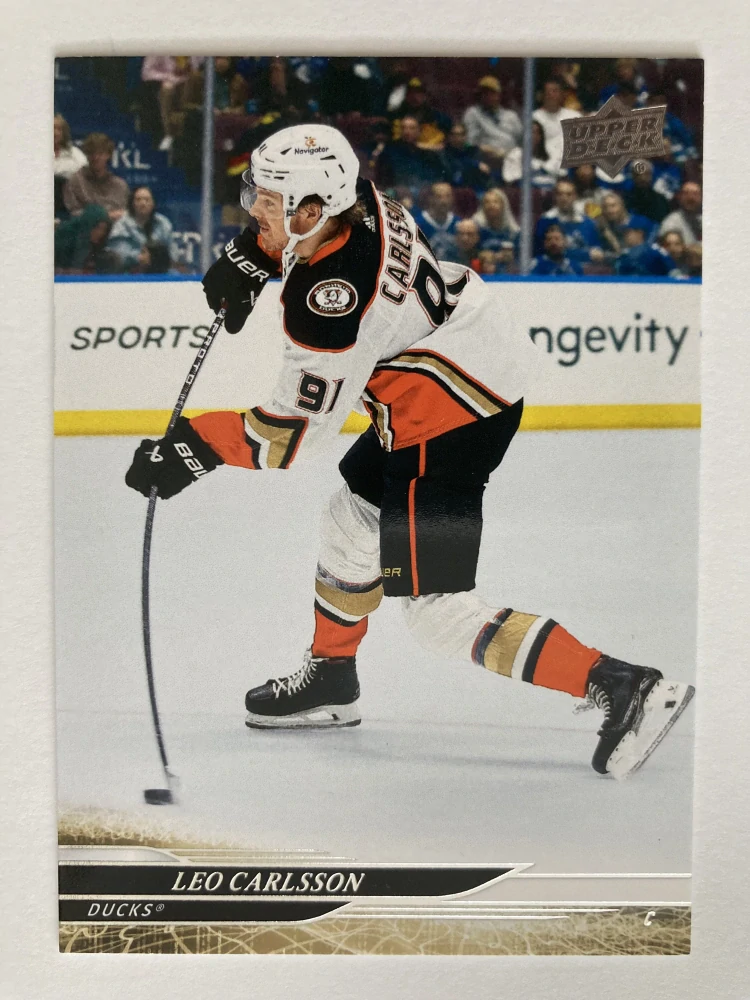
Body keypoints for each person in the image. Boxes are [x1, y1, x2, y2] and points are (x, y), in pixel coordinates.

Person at [125, 123, 693, 779]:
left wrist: (192, 448)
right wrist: (253, 254)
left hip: (450, 417)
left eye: (267, 203)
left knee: (437, 613)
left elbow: (289, 437)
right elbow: (302, 228)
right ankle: (332, 677)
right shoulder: (358, 197)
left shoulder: (330, 302)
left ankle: (623, 685)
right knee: (350, 523)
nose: (253, 209)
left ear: (312, 209)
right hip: (456, 361)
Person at [107, 186, 176, 274]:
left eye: (147, 200)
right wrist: (139, 258)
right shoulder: (121, 225)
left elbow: (171, 250)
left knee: (175, 274)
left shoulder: (163, 223)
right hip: (130, 272)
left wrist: (162, 259)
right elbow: (119, 255)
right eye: (138, 200)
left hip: (160, 270)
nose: (143, 203)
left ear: (153, 203)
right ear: (132, 204)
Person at [62, 133, 130, 222]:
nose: (96, 158)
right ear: (86, 155)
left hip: (116, 228)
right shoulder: (75, 181)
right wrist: (105, 215)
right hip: (86, 227)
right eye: (91, 153)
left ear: (108, 155)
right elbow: (74, 214)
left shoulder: (120, 185)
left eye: (100, 153)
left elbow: (125, 214)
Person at [375, 114, 447, 196]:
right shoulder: (389, 151)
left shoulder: (427, 153)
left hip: (424, 194)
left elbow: (436, 177)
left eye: (412, 128)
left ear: (419, 131)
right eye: (404, 128)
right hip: (398, 194)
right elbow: (383, 179)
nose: (407, 132)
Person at [535, 179, 603, 265]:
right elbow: (548, 253)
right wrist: (586, 255)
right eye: (560, 194)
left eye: (569, 194)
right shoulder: (545, 221)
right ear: (555, 197)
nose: (564, 198)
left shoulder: (587, 222)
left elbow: (597, 251)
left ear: (575, 196)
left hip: (586, 270)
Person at [462, 76, 523, 166]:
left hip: (513, 162)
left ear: (499, 95)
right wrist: (488, 150)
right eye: (484, 93)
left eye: (492, 93)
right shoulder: (473, 114)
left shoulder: (511, 115)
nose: (488, 96)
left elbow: (522, 141)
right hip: (488, 162)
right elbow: (470, 143)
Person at [502, 120, 565, 191]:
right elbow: (510, 180)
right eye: (530, 132)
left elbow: (562, 175)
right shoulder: (514, 155)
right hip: (525, 193)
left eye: (536, 133)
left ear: (541, 136)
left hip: (550, 192)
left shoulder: (552, 154)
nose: (533, 136)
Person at [54, 203, 118, 273]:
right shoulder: (65, 238)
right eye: (97, 228)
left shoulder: (100, 242)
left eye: (104, 229)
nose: (100, 233)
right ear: (88, 225)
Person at [532, 78, 581, 167]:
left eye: (555, 91)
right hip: (541, 164)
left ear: (562, 94)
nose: (551, 95)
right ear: (542, 95)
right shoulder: (533, 117)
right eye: (548, 91)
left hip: (569, 165)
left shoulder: (574, 116)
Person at [390, 78, 451, 148]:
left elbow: (445, 144)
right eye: (411, 93)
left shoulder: (437, 118)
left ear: (425, 96)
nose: (414, 96)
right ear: (406, 96)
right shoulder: (396, 116)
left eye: (418, 93)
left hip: (428, 153)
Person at [411, 182, 458, 260]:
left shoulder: (458, 223)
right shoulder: (418, 224)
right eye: (439, 196)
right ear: (431, 198)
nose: (444, 201)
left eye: (447, 196)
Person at [439, 123, 491, 191]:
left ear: (465, 136)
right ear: (449, 136)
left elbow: (485, 172)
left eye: (461, 134)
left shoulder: (473, 150)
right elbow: (454, 168)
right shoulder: (443, 153)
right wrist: (476, 164)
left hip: (475, 187)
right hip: (453, 188)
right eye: (454, 134)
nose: (457, 138)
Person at [472, 188, 519, 253]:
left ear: (503, 205)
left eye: (495, 202)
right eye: (487, 202)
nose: (491, 205)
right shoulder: (474, 228)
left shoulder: (513, 232)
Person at [659, 182, 702, 246]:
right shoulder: (671, 222)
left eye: (695, 194)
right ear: (679, 197)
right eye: (686, 193)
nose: (691, 197)